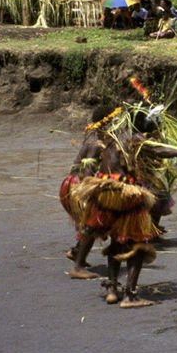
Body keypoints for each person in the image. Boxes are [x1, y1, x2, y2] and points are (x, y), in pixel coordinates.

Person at [70, 105, 177, 307]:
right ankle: (130, 295)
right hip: (125, 194)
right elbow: (158, 150)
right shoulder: (132, 139)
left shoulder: (110, 140)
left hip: (104, 192)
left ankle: (111, 289)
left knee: (117, 241)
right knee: (139, 244)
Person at [61, 105, 117, 279]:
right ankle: (77, 267)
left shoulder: (99, 138)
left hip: (75, 185)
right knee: (93, 224)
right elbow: (86, 171)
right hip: (77, 186)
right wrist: (92, 190)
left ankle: (76, 252)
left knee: (91, 224)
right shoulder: (95, 143)